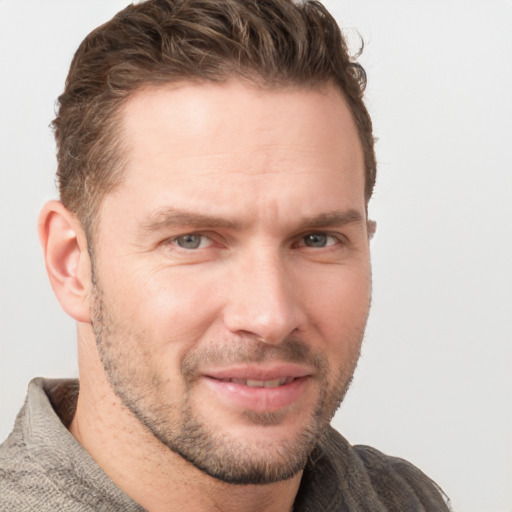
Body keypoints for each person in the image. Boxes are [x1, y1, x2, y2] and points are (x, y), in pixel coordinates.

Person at [0, 0, 451, 510]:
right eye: (192, 240)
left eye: (316, 239)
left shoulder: (400, 498)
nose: (270, 317)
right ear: (72, 264)